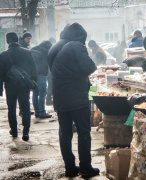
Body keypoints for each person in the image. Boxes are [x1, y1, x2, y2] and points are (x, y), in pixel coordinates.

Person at [48, 23, 99, 178]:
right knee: (84, 132)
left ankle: (70, 167)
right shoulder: (76, 45)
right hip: (76, 97)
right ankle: (85, 167)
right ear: (80, 37)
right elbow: (90, 66)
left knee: (65, 133)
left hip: (60, 97)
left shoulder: (55, 47)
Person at [0, 32, 37, 141]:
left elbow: (0, 74)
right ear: (17, 40)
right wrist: (33, 83)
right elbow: (33, 69)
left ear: (7, 41)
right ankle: (26, 132)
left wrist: (0, 89)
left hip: (10, 85)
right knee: (25, 108)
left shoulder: (3, 55)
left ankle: (14, 131)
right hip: (24, 84)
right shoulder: (27, 52)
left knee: (11, 109)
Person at [31, 40, 52, 118]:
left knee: (35, 93)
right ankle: (42, 112)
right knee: (42, 93)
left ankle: (37, 112)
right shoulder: (45, 51)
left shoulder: (32, 49)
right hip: (42, 74)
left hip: (33, 75)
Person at [46, 37, 56, 105]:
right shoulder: (50, 50)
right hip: (50, 71)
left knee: (50, 86)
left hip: (48, 70)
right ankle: (49, 100)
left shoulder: (49, 49)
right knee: (50, 86)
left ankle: (49, 99)